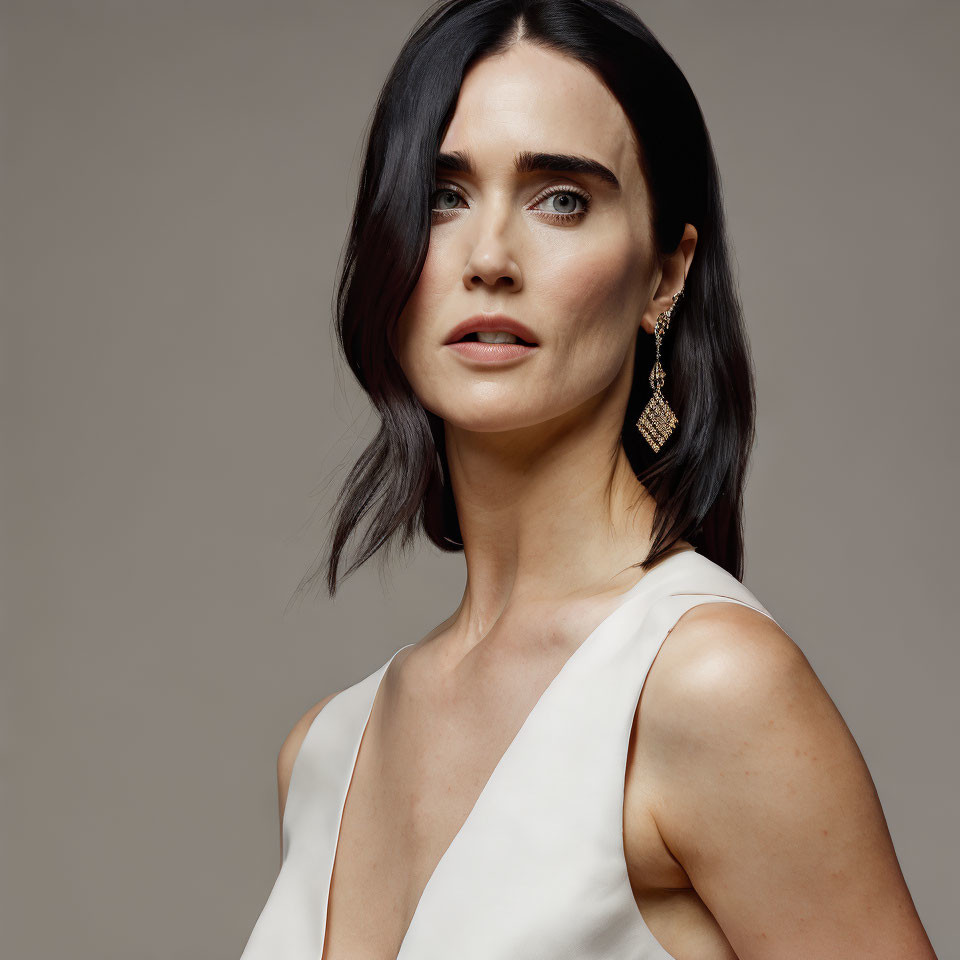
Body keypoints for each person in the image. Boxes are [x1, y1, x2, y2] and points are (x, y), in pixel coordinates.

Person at [240, 1, 937, 957]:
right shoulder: (325, 753)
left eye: (561, 198)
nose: (489, 258)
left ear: (665, 274)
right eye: (442, 196)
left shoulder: (707, 687)